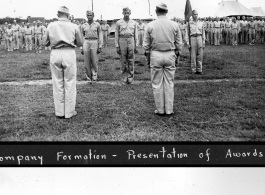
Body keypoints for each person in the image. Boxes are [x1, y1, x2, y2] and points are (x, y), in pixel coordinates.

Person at [43, 6, 83, 119]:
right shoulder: (74, 26)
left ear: (58, 14)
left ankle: (59, 112)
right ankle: (69, 112)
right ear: (68, 15)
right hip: (68, 52)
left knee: (57, 82)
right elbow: (80, 43)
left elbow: (44, 42)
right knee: (70, 82)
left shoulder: (51, 25)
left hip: (55, 53)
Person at [144, 3, 182, 116]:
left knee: (157, 83)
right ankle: (169, 109)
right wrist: (177, 56)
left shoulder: (150, 25)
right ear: (166, 12)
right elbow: (179, 44)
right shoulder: (174, 25)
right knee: (169, 82)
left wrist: (148, 58)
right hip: (170, 54)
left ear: (156, 11)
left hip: (156, 54)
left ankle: (160, 110)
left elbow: (146, 46)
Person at [115, 7, 138, 84]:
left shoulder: (133, 23)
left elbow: (136, 35)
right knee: (123, 59)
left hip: (131, 40)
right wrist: (117, 46)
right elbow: (116, 35)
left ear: (130, 13)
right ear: (123, 13)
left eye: (128, 13)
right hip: (122, 40)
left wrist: (136, 45)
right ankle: (124, 78)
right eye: (125, 13)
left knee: (131, 60)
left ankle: (130, 78)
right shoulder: (119, 23)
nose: (126, 14)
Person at [81, 10, 102, 82]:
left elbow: (100, 35)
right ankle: (88, 77)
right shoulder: (83, 25)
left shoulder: (97, 25)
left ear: (93, 16)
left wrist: (100, 46)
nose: (89, 17)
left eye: (90, 15)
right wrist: (81, 47)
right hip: (86, 41)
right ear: (86, 16)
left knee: (94, 60)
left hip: (94, 41)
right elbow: (82, 36)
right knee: (87, 61)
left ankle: (94, 76)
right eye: (88, 15)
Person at [186, 10, 205, 74]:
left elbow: (203, 33)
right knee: (193, 55)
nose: (196, 15)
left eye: (197, 14)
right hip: (193, 38)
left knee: (200, 55)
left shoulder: (201, 23)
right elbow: (187, 34)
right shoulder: (189, 23)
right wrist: (188, 43)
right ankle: (193, 70)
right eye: (194, 14)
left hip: (199, 38)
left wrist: (203, 42)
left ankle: (199, 69)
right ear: (192, 15)